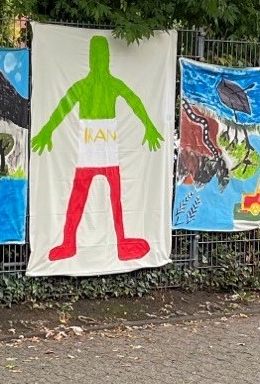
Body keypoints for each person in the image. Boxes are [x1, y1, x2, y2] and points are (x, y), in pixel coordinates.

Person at [31, 35, 162, 262]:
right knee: (83, 196)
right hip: (91, 151)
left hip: (105, 150)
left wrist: (149, 126)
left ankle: (116, 242)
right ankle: (72, 242)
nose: (100, 61)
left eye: (102, 56)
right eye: (97, 56)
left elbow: (134, 101)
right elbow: (63, 108)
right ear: (92, 59)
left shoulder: (102, 85)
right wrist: (47, 131)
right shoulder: (88, 86)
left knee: (109, 197)